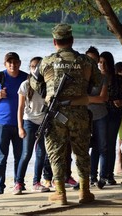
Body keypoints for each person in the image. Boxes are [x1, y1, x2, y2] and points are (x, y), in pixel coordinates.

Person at [30, 23, 101, 205]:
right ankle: (84, 192)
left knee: (55, 152)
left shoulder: (46, 61)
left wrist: (47, 93)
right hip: (80, 112)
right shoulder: (86, 61)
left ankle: (60, 193)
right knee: (82, 151)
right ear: (72, 40)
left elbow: (34, 83)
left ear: (55, 41)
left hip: (55, 113)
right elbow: (98, 84)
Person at [0, 52, 28, 195]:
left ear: (20, 63)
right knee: (1, 157)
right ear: (5, 64)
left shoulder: (26, 78)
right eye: (9, 62)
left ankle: (18, 184)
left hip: (21, 123)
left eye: (15, 62)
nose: (12, 65)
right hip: (2, 124)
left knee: (20, 156)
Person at [13, 56, 50, 195]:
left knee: (41, 153)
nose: (36, 69)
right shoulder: (25, 84)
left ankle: (36, 182)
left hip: (44, 122)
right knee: (26, 153)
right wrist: (20, 127)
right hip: (29, 121)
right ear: (30, 68)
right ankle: (18, 182)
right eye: (33, 66)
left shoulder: (47, 84)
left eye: (39, 67)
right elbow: (20, 108)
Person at [99, 51, 122, 186]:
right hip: (100, 114)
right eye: (100, 62)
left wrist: (120, 102)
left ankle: (109, 174)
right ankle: (100, 175)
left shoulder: (117, 79)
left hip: (114, 114)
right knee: (101, 145)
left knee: (111, 144)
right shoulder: (96, 78)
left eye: (104, 62)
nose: (102, 65)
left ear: (110, 63)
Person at [86, 47, 109, 189]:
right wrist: (92, 98)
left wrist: (86, 98)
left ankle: (103, 177)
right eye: (89, 60)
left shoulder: (103, 77)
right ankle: (90, 177)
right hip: (85, 117)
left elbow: (103, 98)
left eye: (95, 60)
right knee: (87, 148)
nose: (92, 63)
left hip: (101, 116)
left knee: (103, 147)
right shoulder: (81, 77)